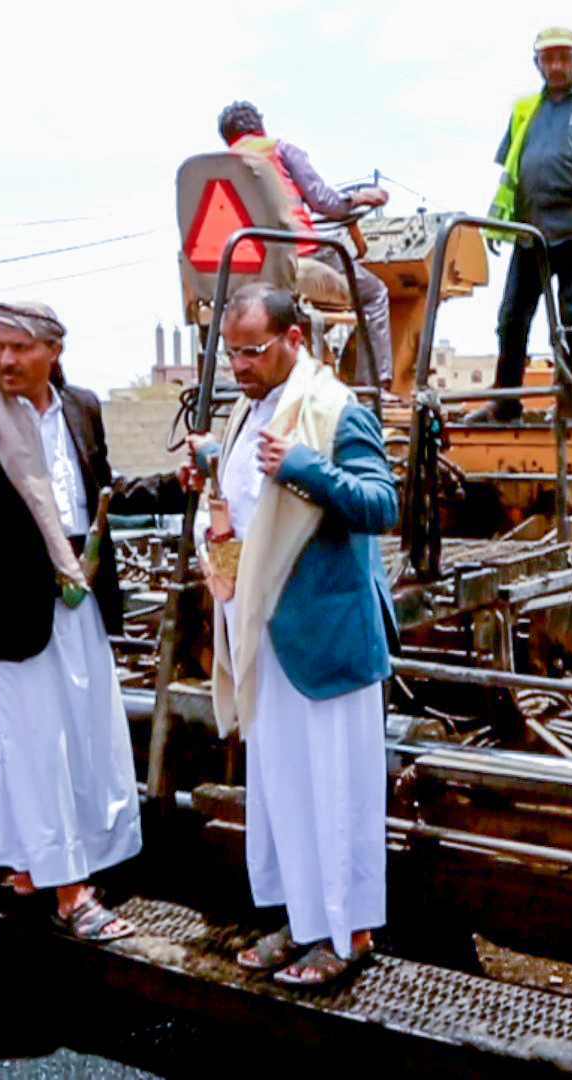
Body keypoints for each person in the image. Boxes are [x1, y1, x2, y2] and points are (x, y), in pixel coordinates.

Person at [0, 302, 191, 943]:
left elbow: (99, 493)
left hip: (77, 601)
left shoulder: (82, 409)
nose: (7, 360)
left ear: (53, 352)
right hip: (9, 617)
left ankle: (27, 871)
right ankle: (72, 894)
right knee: (33, 750)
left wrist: (175, 488)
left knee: (80, 741)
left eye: (20, 347)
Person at [187, 283, 396, 987]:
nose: (239, 364)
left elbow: (380, 504)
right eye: (233, 351)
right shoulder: (249, 414)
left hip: (325, 638)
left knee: (337, 791)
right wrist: (211, 471)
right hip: (265, 634)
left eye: (253, 350)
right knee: (286, 790)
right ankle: (305, 921)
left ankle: (349, 934)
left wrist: (304, 468)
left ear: (294, 340)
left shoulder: (338, 411)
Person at [473, 26, 572, 422]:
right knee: (511, 318)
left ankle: (570, 404)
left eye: (565, 57)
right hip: (530, 235)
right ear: (538, 64)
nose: (558, 66)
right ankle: (505, 402)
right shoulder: (525, 109)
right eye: (549, 58)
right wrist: (498, 223)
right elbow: (511, 171)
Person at [217, 100, 395, 390]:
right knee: (374, 294)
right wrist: (362, 197)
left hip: (243, 271)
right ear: (260, 128)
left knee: (315, 311)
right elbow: (326, 203)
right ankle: (373, 390)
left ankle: (317, 371)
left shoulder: (219, 166)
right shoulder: (279, 150)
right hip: (299, 257)